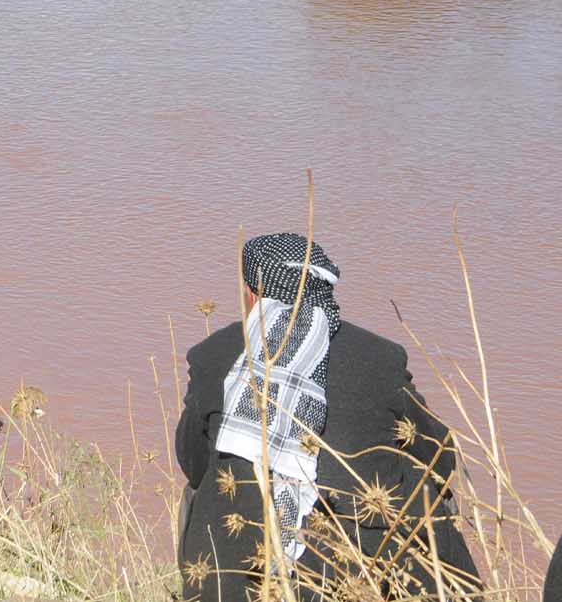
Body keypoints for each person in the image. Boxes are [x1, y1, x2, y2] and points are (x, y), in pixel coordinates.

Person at [174, 233, 480, 602]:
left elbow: (192, 463)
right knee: (427, 487)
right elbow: (437, 453)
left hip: (239, 565)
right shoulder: (379, 356)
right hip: (359, 569)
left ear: (252, 293)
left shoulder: (215, 354)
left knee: (197, 491)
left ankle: (202, 589)